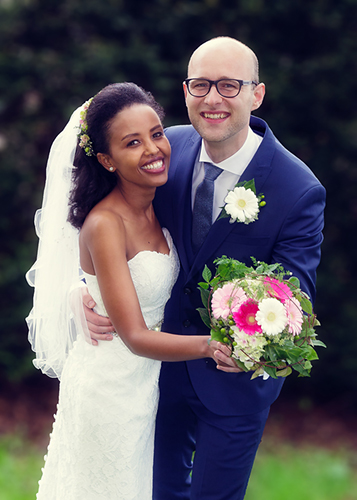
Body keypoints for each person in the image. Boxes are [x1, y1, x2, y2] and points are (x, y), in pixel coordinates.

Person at [85, 37, 326, 499]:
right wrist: (86, 287)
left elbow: (295, 296)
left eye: (229, 86)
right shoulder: (161, 150)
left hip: (233, 387)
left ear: (256, 95)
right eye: (200, 85)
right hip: (153, 373)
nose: (212, 99)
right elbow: (109, 225)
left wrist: (257, 344)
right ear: (185, 91)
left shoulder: (298, 189)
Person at [26, 82, 234, 500]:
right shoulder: (105, 224)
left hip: (146, 386)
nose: (153, 150)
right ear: (106, 159)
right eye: (132, 143)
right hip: (109, 389)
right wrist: (212, 346)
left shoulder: (161, 197)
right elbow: (136, 336)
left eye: (157, 134)